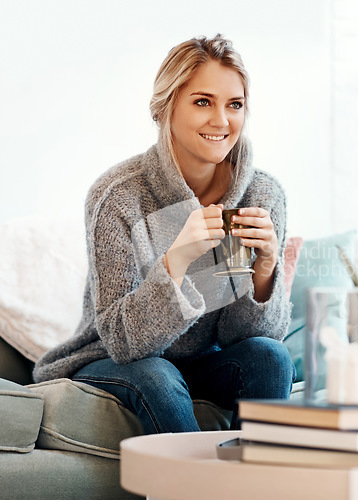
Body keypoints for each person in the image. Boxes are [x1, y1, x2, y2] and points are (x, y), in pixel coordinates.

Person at [33, 34, 296, 434]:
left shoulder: (262, 194)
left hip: (205, 358)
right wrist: (177, 260)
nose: (222, 121)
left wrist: (264, 269)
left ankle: (257, 484)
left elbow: (244, 336)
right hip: (117, 358)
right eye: (203, 102)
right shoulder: (118, 196)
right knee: (157, 374)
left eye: (235, 105)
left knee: (272, 357)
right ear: (166, 108)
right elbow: (125, 343)